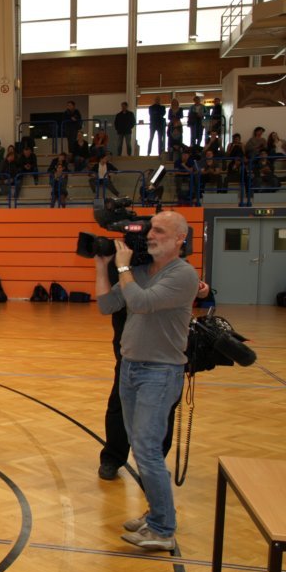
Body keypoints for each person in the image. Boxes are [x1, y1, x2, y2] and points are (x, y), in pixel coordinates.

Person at [95, 211, 198, 551]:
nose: (151, 235)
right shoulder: (140, 271)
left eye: (160, 231)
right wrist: (103, 266)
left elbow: (140, 303)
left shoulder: (183, 274)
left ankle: (163, 529)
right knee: (143, 448)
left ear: (180, 239)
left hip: (160, 372)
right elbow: (107, 305)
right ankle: (157, 513)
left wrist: (123, 267)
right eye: (151, 229)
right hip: (130, 368)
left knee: (147, 450)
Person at [97, 259, 210, 483]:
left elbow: (151, 295)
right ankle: (113, 457)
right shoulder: (121, 258)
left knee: (162, 407)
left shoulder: (175, 265)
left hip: (164, 347)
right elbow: (108, 303)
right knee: (119, 403)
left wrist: (199, 287)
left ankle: (153, 463)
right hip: (130, 342)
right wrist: (109, 264)